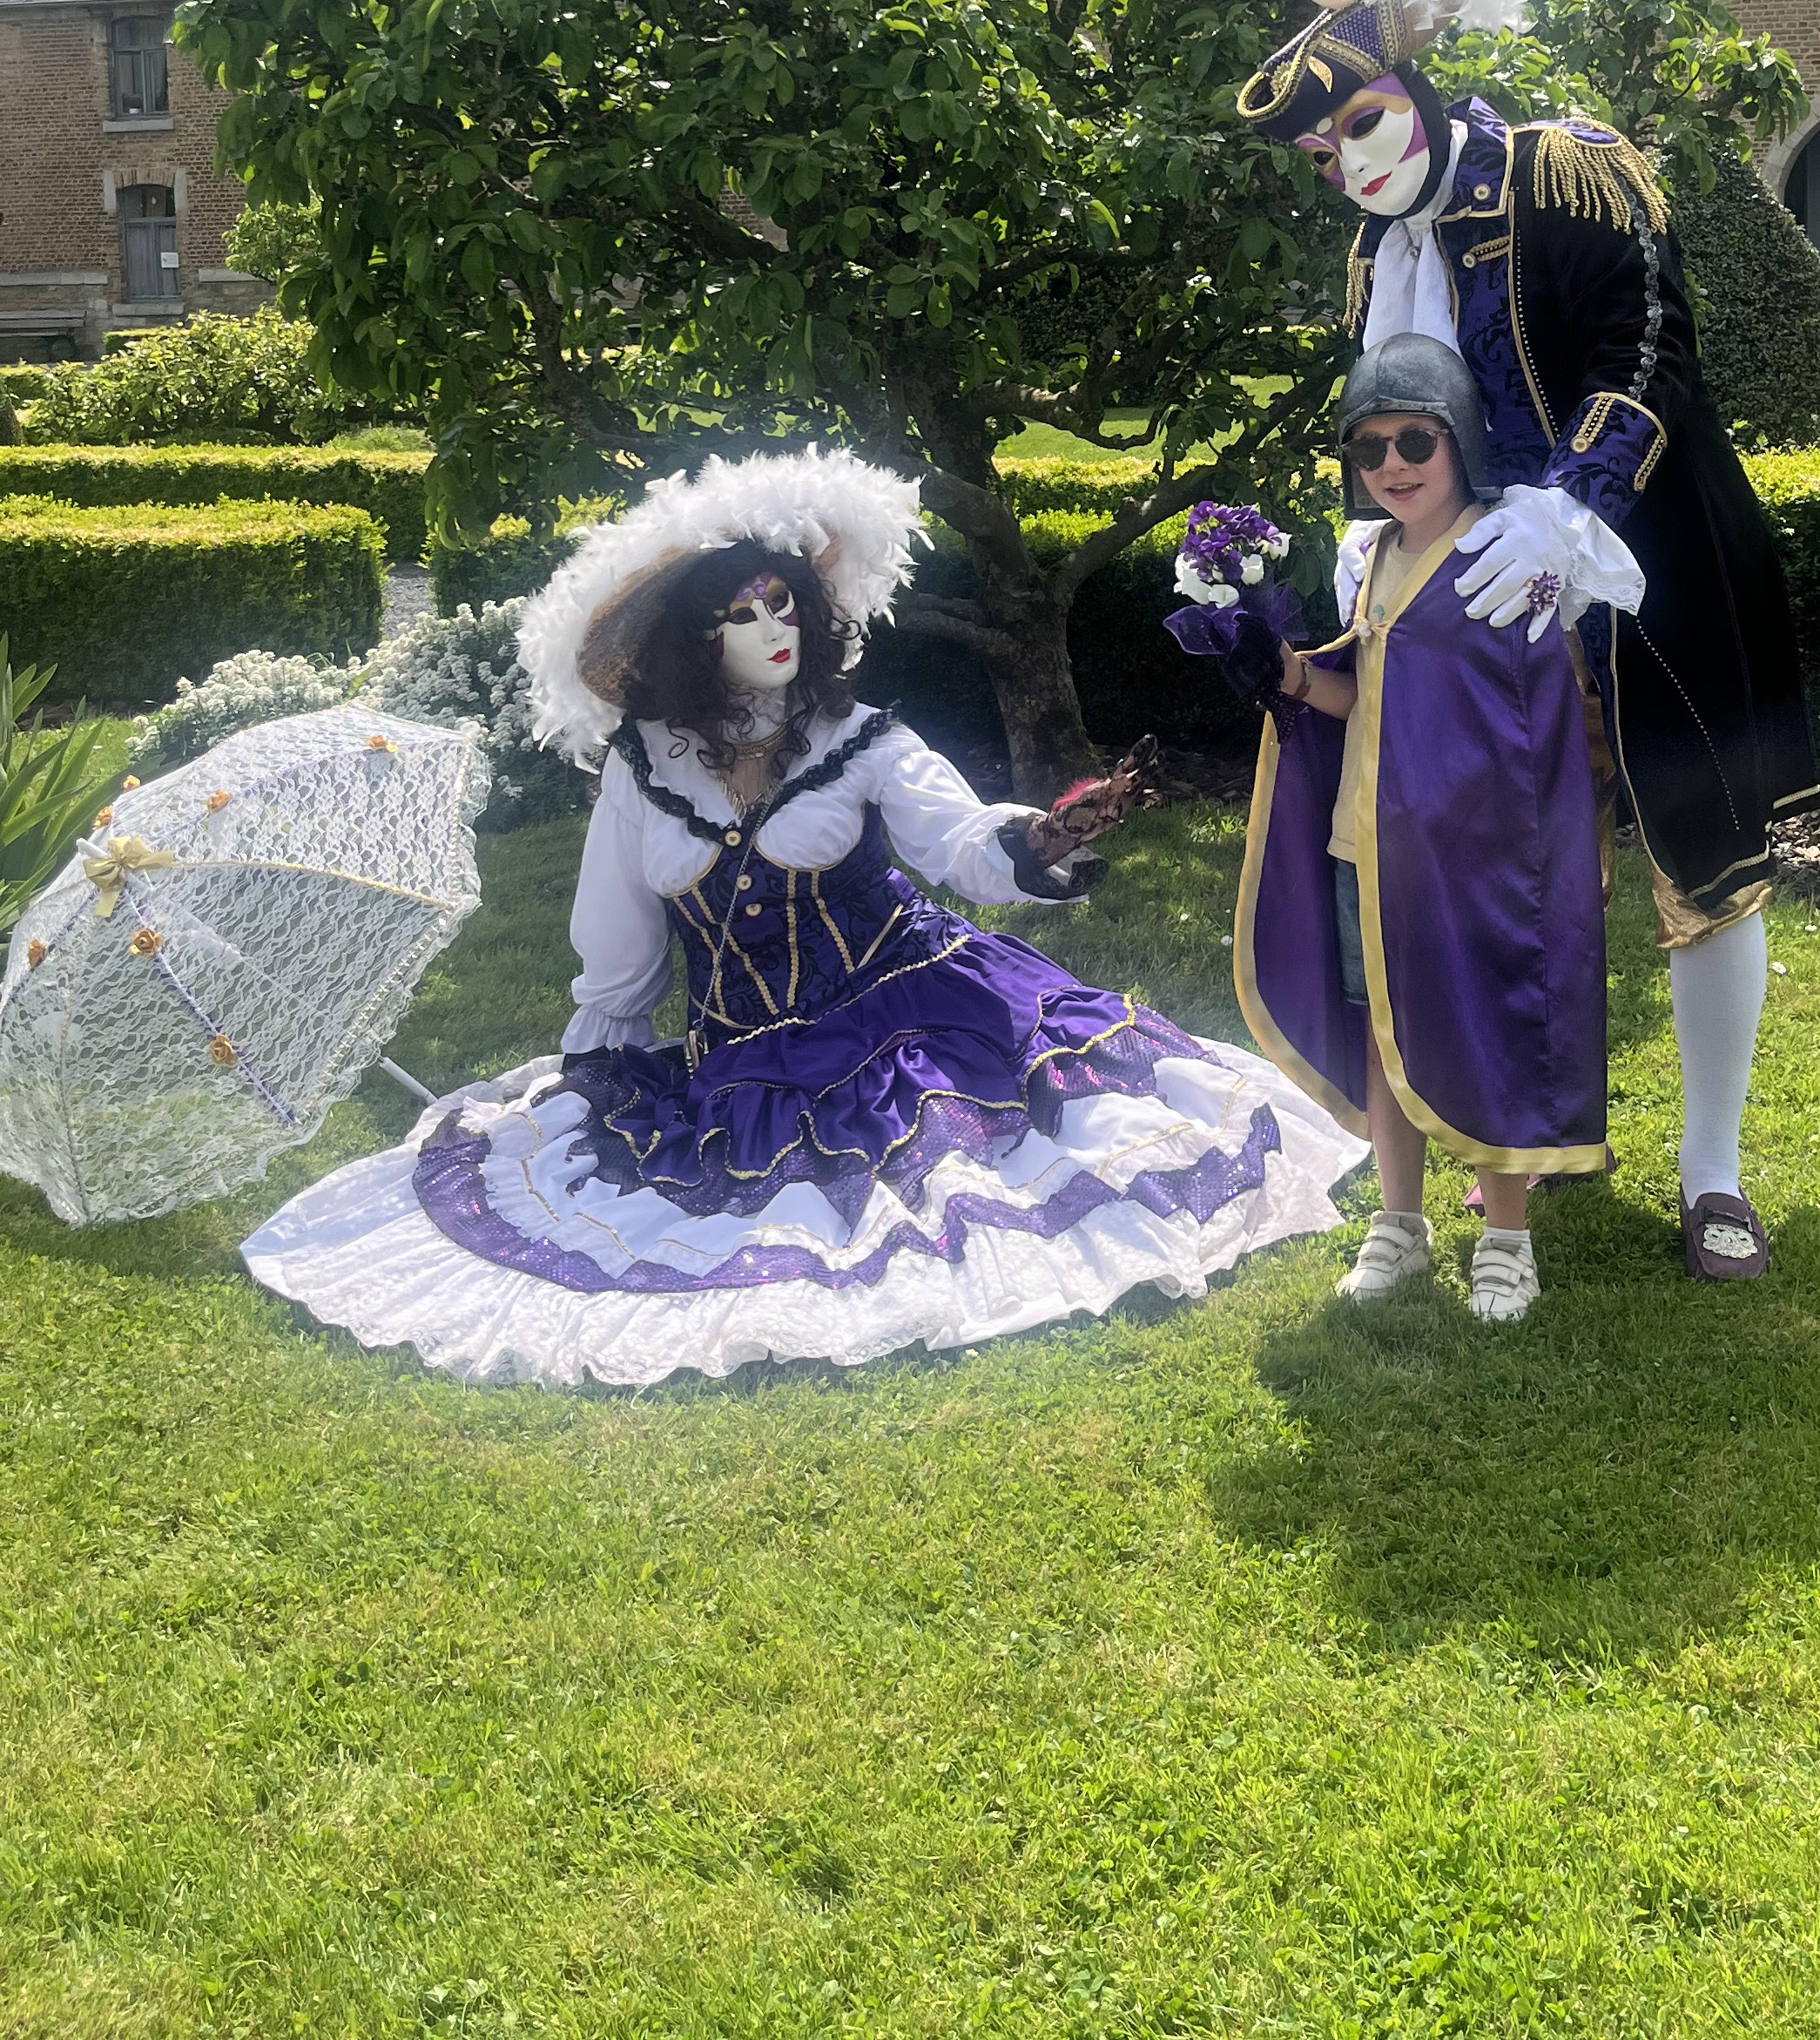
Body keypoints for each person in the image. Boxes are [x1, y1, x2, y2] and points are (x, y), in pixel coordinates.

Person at [241, 449, 1366, 1388]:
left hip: (914, 1015)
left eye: (785, 601)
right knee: (666, 1192)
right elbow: (621, 956)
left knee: (968, 1180)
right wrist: (603, 1064)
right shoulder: (643, 769)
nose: (774, 624)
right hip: (748, 1058)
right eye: (743, 612)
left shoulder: (858, 737)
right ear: (693, 640)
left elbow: (965, 848)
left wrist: (1057, 830)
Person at [1237, 0, 1817, 1282]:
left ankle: (1714, 1181)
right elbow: (1390, 413)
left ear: (1419, 87)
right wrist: (1362, 534)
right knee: (1462, 874)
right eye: (1322, 157)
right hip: (1457, 613)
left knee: (1702, 871)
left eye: (1360, 127)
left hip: (1642, 576)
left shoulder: (1569, 171)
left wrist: (1572, 502)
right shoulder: (1380, 255)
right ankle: (1455, 1173)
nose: (1348, 168)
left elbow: (1654, 339)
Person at [1190, 338, 1614, 1325]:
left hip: (1478, 862)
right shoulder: (1371, 557)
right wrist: (1286, 673)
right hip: (1364, 852)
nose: (1393, 463)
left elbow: (1534, 721)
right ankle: (1399, 1225)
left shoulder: (1504, 558)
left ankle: (1505, 1241)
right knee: (1389, 1035)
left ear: (1459, 439)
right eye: (1370, 447)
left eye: (1415, 438)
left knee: (1486, 1026)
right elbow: (1369, 696)